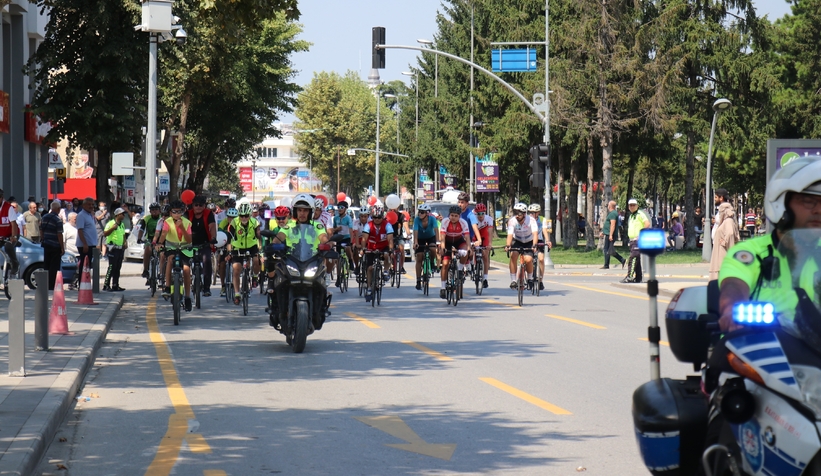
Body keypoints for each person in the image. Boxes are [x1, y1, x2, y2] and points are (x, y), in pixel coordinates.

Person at [270, 193, 330, 322]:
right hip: (292, 260)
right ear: (295, 211)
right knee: (278, 280)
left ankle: (320, 311)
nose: (302, 213)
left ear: (311, 212)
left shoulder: (317, 226)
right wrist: (274, 245)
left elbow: (323, 238)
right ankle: (278, 309)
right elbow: (279, 237)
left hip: (311, 261)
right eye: (299, 210)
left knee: (322, 285)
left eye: (305, 210)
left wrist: (327, 244)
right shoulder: (288, 226)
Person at [158, 200, 194, 311]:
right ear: (170, 213)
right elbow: (163, 234)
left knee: (187, 269)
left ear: (183, 212)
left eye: (179, 212)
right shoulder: (167, 222)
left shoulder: (187, 223)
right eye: (174, 212)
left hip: (184, 248)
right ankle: (168, 286)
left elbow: (189, 239)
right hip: (172, 248)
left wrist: (182, 227)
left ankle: (187, 296)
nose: (177, 214)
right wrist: (159, 243)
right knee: (169, 259)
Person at [225, 202, 261, 304]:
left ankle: (254, 276)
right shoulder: (234, 223)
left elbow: (259, 237)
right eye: (241, 216)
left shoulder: (255, 222)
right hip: (238, 247)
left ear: (250, 215)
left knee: (256, 260)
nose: (244, 218)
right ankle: (237, 294)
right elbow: (229, 240)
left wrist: (260, 250)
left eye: (246, 216)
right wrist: (229, 252)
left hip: (252, 246)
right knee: (236, 269)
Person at [360, 204, 394, 303]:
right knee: (370, 268)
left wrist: (391, 249)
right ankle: (369, 287)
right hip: (372, 247)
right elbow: (364, 238)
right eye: (375, 217)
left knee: (387, 254)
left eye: (379, 217)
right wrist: (363, 248)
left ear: (382, 217)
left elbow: (390, 239)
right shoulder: (368, 225)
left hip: (384, 246)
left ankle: (386, 271)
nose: (377, 219)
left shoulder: (387, 225)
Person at [186, 194, 217, 296]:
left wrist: (213, 238)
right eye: (196, 205)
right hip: (189, 243)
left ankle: (207, 287)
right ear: (192, 205)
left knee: (207, 260)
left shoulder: (208, 214)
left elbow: (212, 227)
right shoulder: (187, 214)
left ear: (204, 206)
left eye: (201, 205)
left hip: (205, 243)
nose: (198, 207)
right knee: (184, 263)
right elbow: (182, 227)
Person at [505, 203, 538, 290]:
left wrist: (534, 245)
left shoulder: (531, 220)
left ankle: (530, 278)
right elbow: (510, 235)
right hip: (517, 241)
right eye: (515, 213)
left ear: (524, 214)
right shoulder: (512, 221)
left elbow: (535, 234)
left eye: (519, 214)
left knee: (528, 259)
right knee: (513, 255)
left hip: (529, 241)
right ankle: (513, 280)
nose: (517, 216)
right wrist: (508, 245)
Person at [709, 188, 740, 280]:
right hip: (719, 248)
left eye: (715, 197)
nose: (714, 199)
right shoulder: (725, 218)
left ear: (721, 197)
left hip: (722, 251)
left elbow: (730, 233)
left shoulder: (728, 219)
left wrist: (724, 242)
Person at [621, 198, 650, 283]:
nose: (632, 206)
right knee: (636, 258)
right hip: (632, 241)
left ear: (637, 206)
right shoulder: (631, 216)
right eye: (630, 205)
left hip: (638, 240)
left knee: (633, 258)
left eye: (634, 205)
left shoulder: (640, 214)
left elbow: (647, 224)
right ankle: (638, 278)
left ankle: (629, 276)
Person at [412, 203, 440, 290]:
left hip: (430, 237)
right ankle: (418, 280)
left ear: (427, 213)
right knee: (419, 257)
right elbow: (415, 231)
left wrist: (438, 242)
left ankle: (432, 262)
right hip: (420, 238)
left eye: (422, 212)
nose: (420, 214)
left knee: (432, 249)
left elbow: (436, 230)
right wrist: (415, 242)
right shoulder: (417, 220)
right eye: (419, 212)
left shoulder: (432, 219)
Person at [39, 201, 64, 290]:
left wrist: (43, 238)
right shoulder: (58, 220)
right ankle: (52, 284)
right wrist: (62, 247)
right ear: (58, 209)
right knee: (54, 266)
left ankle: (46, 283)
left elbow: (41, 230)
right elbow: (59, 234)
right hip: (55, 245)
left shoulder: (44, 217)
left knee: (47, 265)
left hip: (46, 244)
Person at [74, 197, 98, 286]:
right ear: (83, 205)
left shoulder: (89, 215)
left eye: (92, 204)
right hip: (85, 245)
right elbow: (80, 230)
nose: (91, 206)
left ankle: (86, 283)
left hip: (91, 244)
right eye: (89, 204)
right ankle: (82, 284)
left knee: (88, 266)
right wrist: (84, 243)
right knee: (84, 265)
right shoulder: (81, 215)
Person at [102, 207, 127, 291]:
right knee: (111, 267)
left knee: (118, 267)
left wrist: (125, 242)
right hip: (113, 248)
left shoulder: (122, 224)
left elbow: (123, 235)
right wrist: (112, 228)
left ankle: (115, 284)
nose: (124, 216)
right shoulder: (110, 223)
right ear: (118, 215)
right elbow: (105, 233)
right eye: (122, 214)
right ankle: (106, 285)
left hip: (120, 248)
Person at [329, 201, 353, 286]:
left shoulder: (348, 218)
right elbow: (333, 229)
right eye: (338, 207)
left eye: (342, 207)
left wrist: (351, 241)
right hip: (338, 238)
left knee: (347, 248)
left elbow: (351, 229)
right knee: (338, 258)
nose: (339, 209)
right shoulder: (335, 218)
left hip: (346, 238)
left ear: (345, 209)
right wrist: (335, 230)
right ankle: (339, 277)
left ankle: (350, 261)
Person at [138, 203, 162, 283]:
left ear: (159, 211)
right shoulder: (146, 218)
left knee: (163, 254)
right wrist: (139, 238)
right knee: (147, 250)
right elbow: (141, 229)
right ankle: (145, 270)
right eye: (152, 210)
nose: (154, 212)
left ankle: (161, 273)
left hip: (161, 239)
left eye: (156, 210)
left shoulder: (162, 218)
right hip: (150, 238)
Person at [216, 206, 238, 296]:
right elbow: (220, 235)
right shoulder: (223, 223)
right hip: (225, 244)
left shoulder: (239, 224)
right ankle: (223, 286)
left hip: (236, 244)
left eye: (233, 217)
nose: (231, 219)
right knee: (222, 264)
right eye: (229, 217)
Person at [527, 203, 549, 290]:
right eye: (530, 212)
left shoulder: (542, 219)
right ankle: (529, 276)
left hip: (539, 240)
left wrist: (547, 240)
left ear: (538, 212)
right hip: (528, 240)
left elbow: (544, 230)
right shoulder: (527, 219)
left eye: (534, 212)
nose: (532, 214)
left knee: (541, 259)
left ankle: (540, 280)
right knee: (528, 259)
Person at [473, 203, 495, 289]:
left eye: (482, 213)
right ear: (476, 213)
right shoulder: (474, 219)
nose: (481, 215)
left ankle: (485, 279)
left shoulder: (489, 219)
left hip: (484, 235)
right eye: (479, 213)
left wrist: (490, 244)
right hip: (475, 236)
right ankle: (471, 265)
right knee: (471, 251)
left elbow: (490, 232)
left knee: (485, 255)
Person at [600, 200, 625, 269]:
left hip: (610, 235)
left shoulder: (613, 213)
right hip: (608, 233)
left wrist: (610, 235)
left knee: (606, 250)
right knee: (610, 250)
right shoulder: (612, 213)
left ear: (610, 206)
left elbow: (612, 224)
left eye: (608, 205)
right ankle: (622, 260)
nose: (607, 206)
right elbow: (608, 225)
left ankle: (606, 265)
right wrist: (603, 231)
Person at [0, 188, 20, 275]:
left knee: (8, 246)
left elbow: (14, 224)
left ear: (1, 198)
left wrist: (14, 236)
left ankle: (15, 264)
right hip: (1, 235)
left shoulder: (9, 208)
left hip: (12, 233)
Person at [351, 208, 370, 275]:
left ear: (368, 216)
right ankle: (357, 266)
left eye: (365, 216)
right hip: (358, 237)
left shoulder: (371, 221)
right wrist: (357, 245)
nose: (363, 218)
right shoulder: (356, 222)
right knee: (355, 249)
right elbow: (355, 234)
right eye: (361, 216)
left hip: (368, 238)